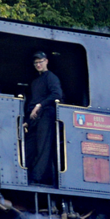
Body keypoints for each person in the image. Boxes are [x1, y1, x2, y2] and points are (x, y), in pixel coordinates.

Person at [24, 51, 64, 185]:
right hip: (34, 118)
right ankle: (26, 175)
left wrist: (40, 105)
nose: (38, 65)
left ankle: (38, 177)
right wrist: (27, 121)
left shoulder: (51, 77)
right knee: (29, 147)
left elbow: (57, 94)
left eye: (40, 62)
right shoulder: (35, 82)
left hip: (46, 115)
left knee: (43, 146)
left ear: (46, 61)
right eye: (36, 63)